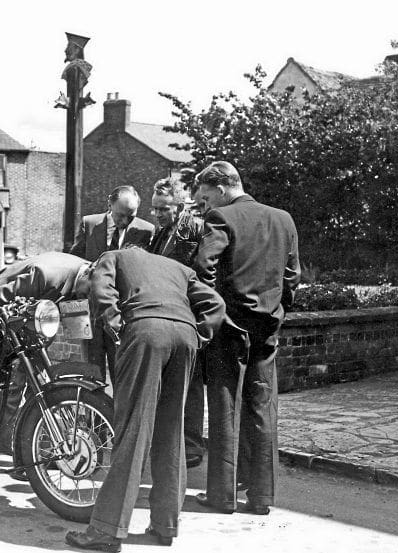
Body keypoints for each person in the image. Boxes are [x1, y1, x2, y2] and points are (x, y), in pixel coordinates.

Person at [66, 247, 225, 551]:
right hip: (185, 336)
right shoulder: (178, 267)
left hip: (145, 331)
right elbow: (215, 302)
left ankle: (106, 531)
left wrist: (116, 326)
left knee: (133, 430)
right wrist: (199, 334)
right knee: (171, 430)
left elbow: (100, 288)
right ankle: (165, 525)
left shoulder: (112, 257)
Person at [193, 161, 300, 516]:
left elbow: (202, 270)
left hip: (228, 328)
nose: (206, 205)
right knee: (262, 407)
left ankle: (223, 496)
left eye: (207, 197)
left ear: (222, 189)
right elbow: (291, 276)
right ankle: (262, 497)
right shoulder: (283, 219)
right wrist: (278, 312)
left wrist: (215, 314)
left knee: (224, 405)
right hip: (267, 326)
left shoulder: (220, 219)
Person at [0, 252, 92, 470]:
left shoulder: (83, 280)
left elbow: (79, 331)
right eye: (89, 293)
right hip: (0, 309)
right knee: (11, 380)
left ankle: (34, 442)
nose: (88, 298)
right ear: (87, 276)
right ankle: (5, 437)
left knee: (40, 381)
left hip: (34, 323)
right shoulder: (46, 274)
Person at [148, 174, 207, 470]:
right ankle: (173, 442)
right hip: (165, 311)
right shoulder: (161, 232)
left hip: (188, 313)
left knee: (192, 382)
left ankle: (193, 444)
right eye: (155, 208)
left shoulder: (194, 229)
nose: (158, 214)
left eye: (163, 208)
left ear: (179, 205)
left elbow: (203, 273)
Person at [70, 185, 154, 381]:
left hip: (121, 315)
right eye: (120, 215)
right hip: (90, 313)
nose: (124, 221)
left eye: (130, 216)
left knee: (122, 372)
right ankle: (91, 411)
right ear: (109, 203)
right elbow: (75, 261)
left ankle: (119, 412)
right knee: (90, 372)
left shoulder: (146, 230)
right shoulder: (89, 224)